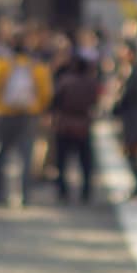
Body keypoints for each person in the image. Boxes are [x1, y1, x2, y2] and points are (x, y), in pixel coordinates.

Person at [0, 31, 51, 205]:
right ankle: (24, 195)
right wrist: (39, 108)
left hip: (3, 114)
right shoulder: (37, 66)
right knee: (26, 156)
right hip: (28, 114)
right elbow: (46, 92)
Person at [49, 54, 103, 205]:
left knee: (62, 161)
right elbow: (96, 101)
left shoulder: (65, 82)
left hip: (64, 124)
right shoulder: (91, 83)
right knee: (85, 162)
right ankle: (86, 191)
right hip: (83, 124)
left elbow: (54, 101)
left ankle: (62, 191)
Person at [113, 43, 137, 199]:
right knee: (131, 155)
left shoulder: (134, 73)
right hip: (129, 118)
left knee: (134, 154)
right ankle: (136, 186)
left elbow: (127, 96)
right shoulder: (126, 71)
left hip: (133, 120)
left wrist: (115, 106)